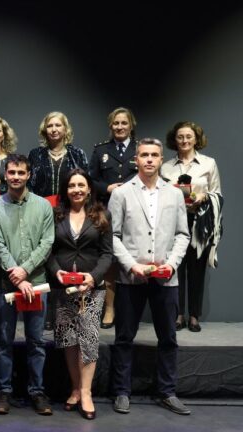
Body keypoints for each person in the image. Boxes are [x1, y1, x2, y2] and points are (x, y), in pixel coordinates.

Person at [109, 138, 190, 416]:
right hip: (131, 278)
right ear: (136, 159)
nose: (149, 159)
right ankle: (121, 391)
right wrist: (131, 265)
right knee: (124, 337)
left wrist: (172, 264)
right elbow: (113, 236)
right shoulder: (121, 193)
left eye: (154, 155)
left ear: (161, 159)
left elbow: (182, 234)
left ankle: (167, 392)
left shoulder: (174, 194)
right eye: (144, 155)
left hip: (166, 278)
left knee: (168, 338)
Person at [0, 154, 54, 416]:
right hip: (6, 284)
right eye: (12, 172)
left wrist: (25, 271)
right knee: (4, 341)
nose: (16, 177)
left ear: (28, 175)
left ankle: (37, 392)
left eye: (21, 172)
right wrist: (18, 275)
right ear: (5, 175)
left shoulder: (43, 206)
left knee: (36, 341)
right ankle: (4, 392)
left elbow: (47, 243)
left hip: (36, 283)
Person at [46, 169, 113, 420]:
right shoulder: (55, 215)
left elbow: (107, 254)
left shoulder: (102, 215)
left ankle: (86, 392)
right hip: (63, 289)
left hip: (91, 289)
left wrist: (93, 277)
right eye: (72, 185)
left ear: (89, 189)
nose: (76, 190)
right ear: (66, 190)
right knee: (69, 340)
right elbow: (48, 250)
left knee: (89, 339)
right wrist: (57, 272)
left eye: (81, 185)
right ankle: (75, 387)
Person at [28, 111, 88, 331]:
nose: (54, 129)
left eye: (58, 125)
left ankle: (65, 311)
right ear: (45, 130)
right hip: (41, 214)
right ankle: (46, 314)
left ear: (65, 129)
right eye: (50, 126)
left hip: (69, 213)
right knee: (44, 260)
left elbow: (84, 182)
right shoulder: (35, 154)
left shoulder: (77, 154)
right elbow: (29, 186)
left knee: (64, 259)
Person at [161, 121, 222, 333]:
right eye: (180, 137)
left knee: (197, 270)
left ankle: (194, 316)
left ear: (196, 139)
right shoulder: (166, 167)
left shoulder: (209, 163)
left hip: (199, 222)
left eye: (189, 136)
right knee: (176, 269)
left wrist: (203, 197)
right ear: (174, 140)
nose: (184, 140)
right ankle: (178, 315)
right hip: (173, 223)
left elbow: (217, 194)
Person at [89, 107, 139, 329]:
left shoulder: (140, 149)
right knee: (109, 261)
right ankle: (109, 308)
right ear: (111, 126)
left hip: (135, 212)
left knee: (133, 258)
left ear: (131, 125)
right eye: (116, 123)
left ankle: (131, 310)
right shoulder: (101, 150)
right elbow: (90, 180)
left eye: (124, 123)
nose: (120, 127)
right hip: (107, 211)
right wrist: (106, 187)